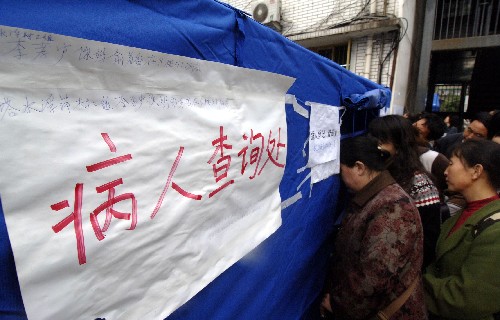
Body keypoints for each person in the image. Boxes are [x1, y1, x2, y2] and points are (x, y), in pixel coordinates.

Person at [321, 135, 426, 319]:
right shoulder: (378, 197)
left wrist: (338, 304)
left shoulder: (393, 209)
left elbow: (373, 279)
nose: (340, 178)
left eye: (341, 171)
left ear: (359, 167)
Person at [423, 139, 500, 319]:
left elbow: (468, 298)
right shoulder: (464, 213)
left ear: (476, 171)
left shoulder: (495, 230)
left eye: (451, 163)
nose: (445, 171)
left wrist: (415, 286)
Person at [368, 115, 442, 269]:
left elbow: (427, 241)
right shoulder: (381, 172)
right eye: (373, 141)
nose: (376, 147)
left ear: (399, 145)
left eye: (382, 142)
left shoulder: (421, 186)